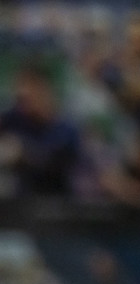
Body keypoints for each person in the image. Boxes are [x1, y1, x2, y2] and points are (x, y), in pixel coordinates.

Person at [0, 65, 82, 198]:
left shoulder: (67, 129)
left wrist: (22, 152)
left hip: (57, 202)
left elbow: (50, 164)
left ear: (46, 91)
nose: (24, 94)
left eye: (32, 90)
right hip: (19, 202)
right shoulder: (14, 119)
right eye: (21, 97)